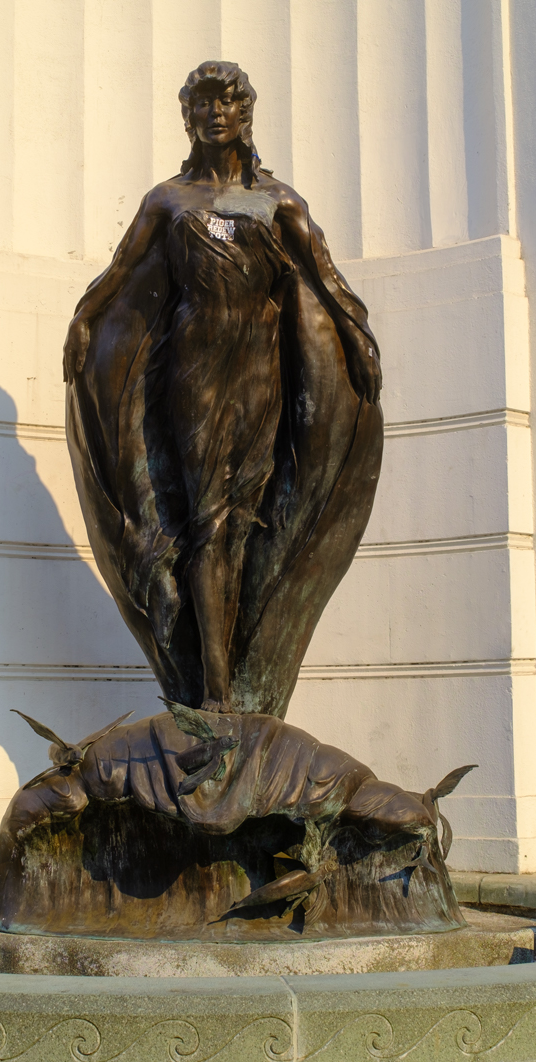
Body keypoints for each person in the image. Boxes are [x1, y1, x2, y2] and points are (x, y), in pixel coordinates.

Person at [63, 61, 383, 718]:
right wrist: (84, 319)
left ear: (245, 113)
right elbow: (118, 273)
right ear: (189, 118)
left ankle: (233, 675)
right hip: (196, 369)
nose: (215, 113)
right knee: (208, 519)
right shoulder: (167, 201)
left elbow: (327, 279)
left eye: (226, 101)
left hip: (260, 371)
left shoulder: (280, 201)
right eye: (202, 103)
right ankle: (215, 691)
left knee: (243, 520)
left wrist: (358, 338)